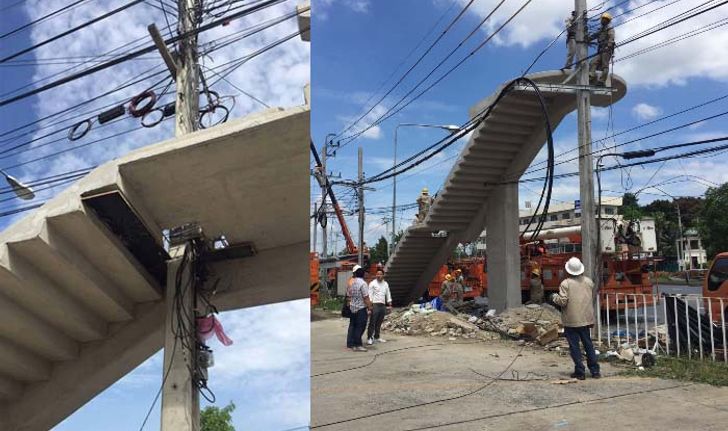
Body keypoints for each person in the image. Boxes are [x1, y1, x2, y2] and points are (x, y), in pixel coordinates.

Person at [551, 257, 601, 380]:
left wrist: (553, 297)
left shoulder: (566, 283)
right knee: (588, 344)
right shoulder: (589, 282)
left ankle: (580, 371)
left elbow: (563, 302)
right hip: (585, 319)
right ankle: (595, 371)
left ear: (569, 270)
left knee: (574, 346)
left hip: (571, 321)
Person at [346, 265, 372, 352]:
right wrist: (370, 307)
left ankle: (351, 344)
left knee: (353, 326)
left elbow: (349, 295)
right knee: (360, 327)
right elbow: (366, 297)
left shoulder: (352, 282)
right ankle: (358, 345)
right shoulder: (363, 284)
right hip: (361, 309)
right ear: (363, 274)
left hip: (353, 308)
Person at [589, 12, 615, 87]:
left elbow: (611, 37)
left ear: (607, 21)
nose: (603, 20)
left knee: (605, 66)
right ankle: (591, 76)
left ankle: (602, 81)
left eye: (605, 19)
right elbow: (595, 35)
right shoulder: (601, 29)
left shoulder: (609, 28)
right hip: (601, 49)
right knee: (593, 62)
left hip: (606, 49)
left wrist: (609, 46)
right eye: (602, 19)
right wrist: (588, 38)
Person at [367, 270, 392, 345]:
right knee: (372, 322)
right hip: (375, 305)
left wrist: (389, 302)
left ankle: (377, 337)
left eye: (380, 274)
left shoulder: (385, 284)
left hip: (382, 305)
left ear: (383, 275)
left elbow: (388, 293)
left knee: (379, 322)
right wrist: (370, 306)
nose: (378, 275)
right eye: (377, 274)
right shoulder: (372, 283)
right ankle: (369, 338)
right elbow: (370, 295)